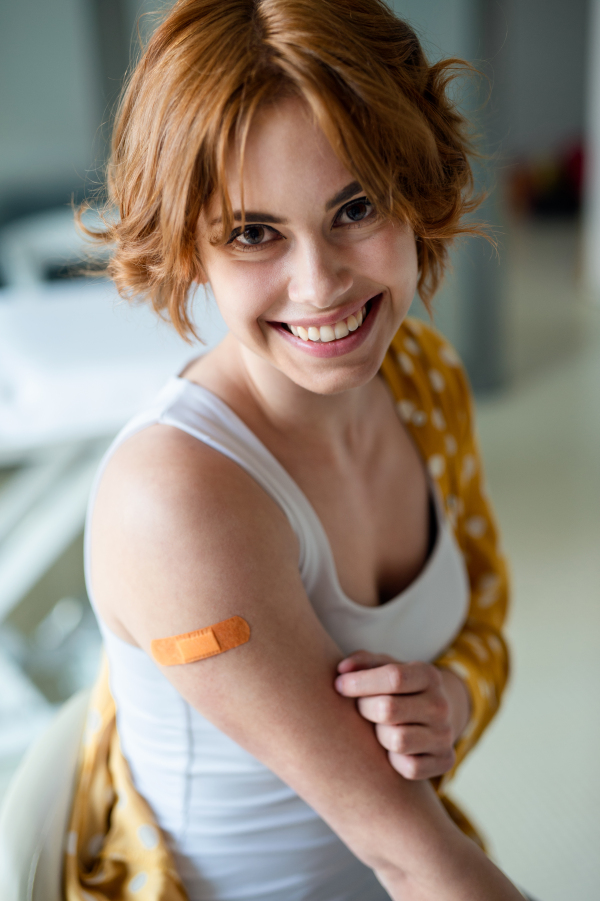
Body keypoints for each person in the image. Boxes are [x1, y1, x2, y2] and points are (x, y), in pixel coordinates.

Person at [65, 1, 526, 899]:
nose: (320, 286)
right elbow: (412, 856)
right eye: (252, 232)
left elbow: (487, 616)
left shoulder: (425, 378)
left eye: (354, 207)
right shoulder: (176, 497)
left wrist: (455, 699)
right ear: (189, 246)